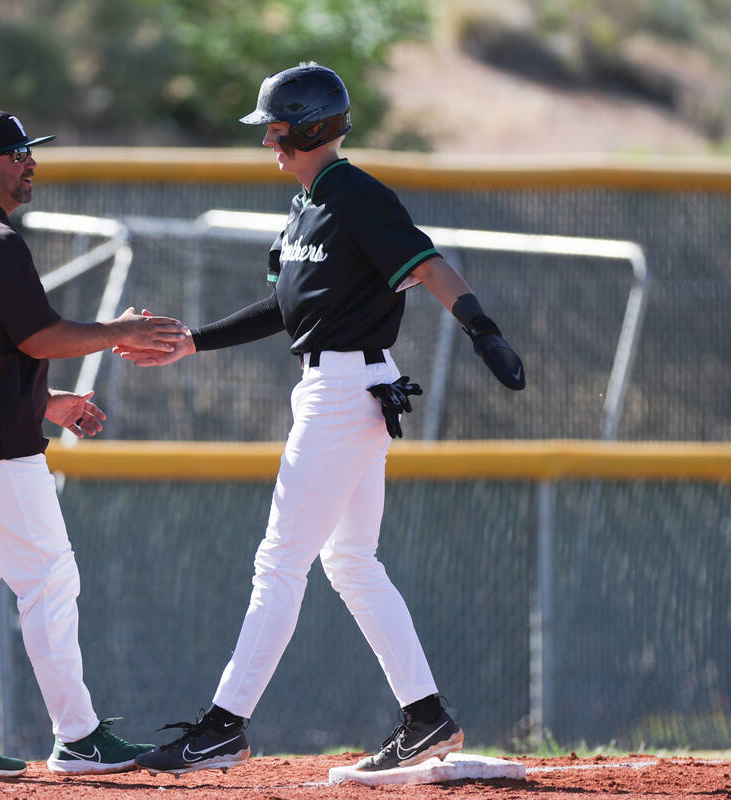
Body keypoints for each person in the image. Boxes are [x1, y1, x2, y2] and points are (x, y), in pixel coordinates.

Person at [118, 64, 525, 777]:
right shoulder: (306, 204)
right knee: (350, 561)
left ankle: (223, 727)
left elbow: (429, 266)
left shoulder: (357, 197)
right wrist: (196, 341)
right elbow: (285, 306)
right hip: (340, 388)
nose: (268, 142)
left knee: (281, 563)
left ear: (308, 129)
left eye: (275, 129)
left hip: (346, 390)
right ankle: (426, 716)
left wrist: (480, 328)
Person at [0, 109, 186, 779]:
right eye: (14, 152)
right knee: (49, 581)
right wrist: (116, 331)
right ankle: (80, 737)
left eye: (30, 150)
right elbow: (38, 336)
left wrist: (49, 401)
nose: (28, 161)